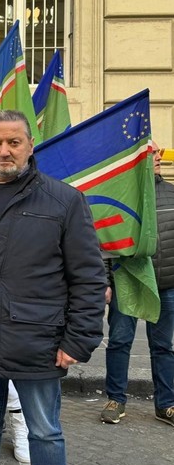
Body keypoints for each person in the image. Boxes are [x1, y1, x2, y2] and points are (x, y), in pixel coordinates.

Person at [0, 110, 106, 465]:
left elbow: (89, 278)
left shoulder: (64, 201)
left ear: (31, 145)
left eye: (14, 142)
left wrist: (79, 340)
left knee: (44, 432)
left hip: (39, 342)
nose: (4, 151)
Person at [101, 142, 174, 427]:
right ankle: (115, 399)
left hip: (166, 283)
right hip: (127, 281)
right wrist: (106, 281)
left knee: (163, 346)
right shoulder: (121, 196)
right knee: (119, 341)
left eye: (158, 152)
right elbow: (106, 243)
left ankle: (166, 404)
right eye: (150, 152)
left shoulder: (172, 193)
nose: (157, 157)